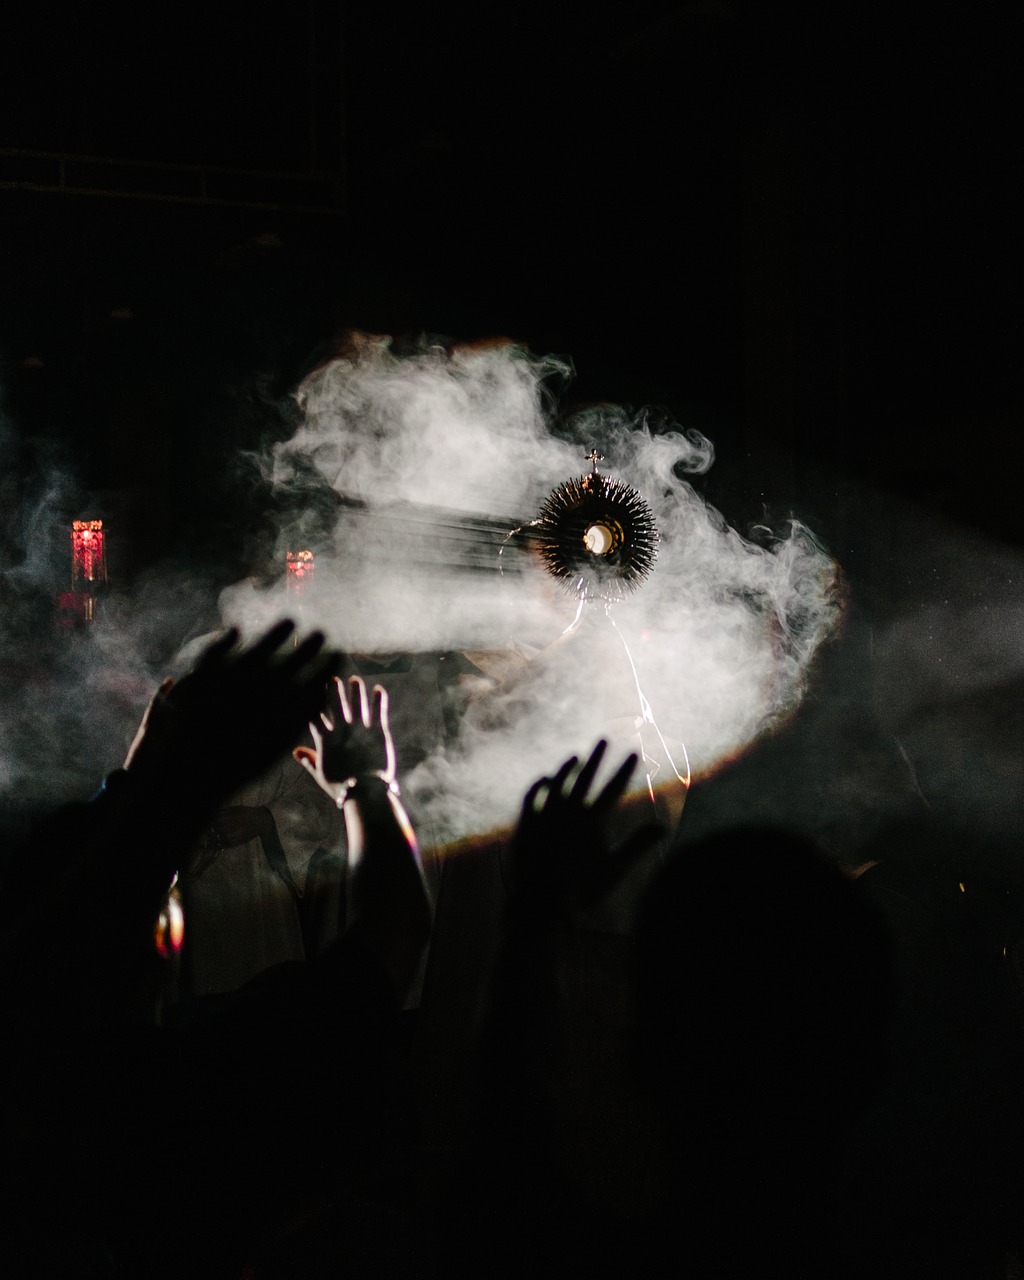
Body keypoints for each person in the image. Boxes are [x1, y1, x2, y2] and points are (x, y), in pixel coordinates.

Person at [0, 621, 433, 1278]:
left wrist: (155, 786)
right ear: (163, 935)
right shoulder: (193, 1112)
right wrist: (368, 787)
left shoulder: (36, 1086)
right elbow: (393, 934)